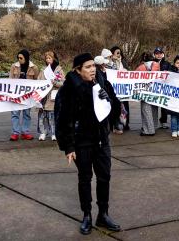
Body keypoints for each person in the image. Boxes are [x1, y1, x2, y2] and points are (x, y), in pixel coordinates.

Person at [55, 53, 121, 234]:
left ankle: (103, 214)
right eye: (87, 67)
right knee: (85, 178)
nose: (92, 69)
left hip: (101, 140)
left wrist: (109, 98)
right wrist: (68, 146)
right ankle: (87, 216)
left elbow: (116, 112)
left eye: (93, 66)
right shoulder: (68, 89)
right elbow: (62, 119)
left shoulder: (103, 82)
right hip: (81, 141)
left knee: (104, 177)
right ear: (77, 70)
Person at [9, 49, 39, 141]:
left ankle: (25, 132)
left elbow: (37, 81)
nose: (19, 59)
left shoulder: (34, 68)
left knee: (26, 114)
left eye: (21, 58)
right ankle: (15, 133)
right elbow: (9, 80)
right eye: (18, 57)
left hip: (27, 96)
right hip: (16, 95)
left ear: (26, 58)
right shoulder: (14, 66)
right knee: (15, 114)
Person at [37, 50, 64, 141]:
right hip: (43, 96)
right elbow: (38, 81)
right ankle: (43, 132)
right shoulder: (43, 69)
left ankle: (54, 133)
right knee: (42, 116)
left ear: (54, 59)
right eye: (46, 58)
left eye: (50, 58)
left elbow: (63, 83)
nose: (48, 60)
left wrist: (55, 82)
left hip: (53, 96)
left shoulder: (59, 69)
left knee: (52, 116)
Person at [136, 52, 159, 136]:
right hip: (155, 91)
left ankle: (148, 130)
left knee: (146, 110)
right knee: (154, 110)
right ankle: (154, 126)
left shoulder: (140, 67)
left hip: (144, 91)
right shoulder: (156, 65)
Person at [109, 46, 129, 131]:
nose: (118, 54)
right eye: (117, 52)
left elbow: (127, 70)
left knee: (125, 106)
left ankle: (125, 123)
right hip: (114, 87)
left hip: (123, 87)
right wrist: (113, 60)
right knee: (116, 106)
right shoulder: (111, 62)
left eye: (119, 52)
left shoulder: (123, 61)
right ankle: (116, 123)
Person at [153, 47, 171, 129]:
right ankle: (154, 122)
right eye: (157, 53)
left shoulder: (167, 64)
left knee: (164, 106)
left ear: (162, 54)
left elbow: (171, 74)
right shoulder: (151, 63)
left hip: (164, 87)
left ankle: (164, 121)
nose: (158, 55)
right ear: (154, 55)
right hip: (154, 87)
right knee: (154, 105)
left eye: (160, 53)